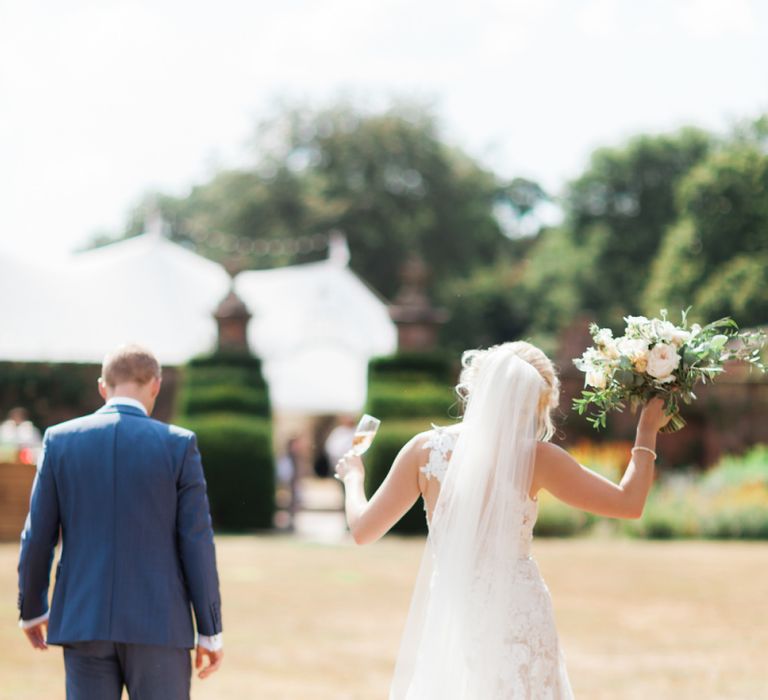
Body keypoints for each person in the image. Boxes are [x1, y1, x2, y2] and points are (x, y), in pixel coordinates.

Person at [335, 341, 671, 699]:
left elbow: (362, 530)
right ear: (538, 401)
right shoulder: (539, 459)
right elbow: (629, 503)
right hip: (519, 613)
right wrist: (647, 429)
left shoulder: (424, 450)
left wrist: (354, 478)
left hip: (456, 609)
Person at [17, 344, 223, 700]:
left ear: (102, 386)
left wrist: (32, 609)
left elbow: (37, 535)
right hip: (160, 622)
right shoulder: (178, 445)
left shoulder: (60, 440)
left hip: (85, 619)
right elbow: (197, 541)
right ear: (156, 385)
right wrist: (210, 629)